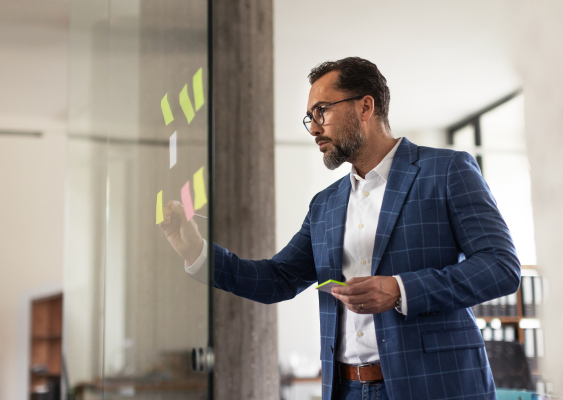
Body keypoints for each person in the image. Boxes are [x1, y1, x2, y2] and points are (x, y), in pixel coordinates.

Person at [159, 57, 521, 400]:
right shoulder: (325, 204)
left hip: (436, 384)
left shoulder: (446, 171)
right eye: (309, 118)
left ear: (366, 107)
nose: (314, 127)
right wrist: (198, 252)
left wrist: (400, 290)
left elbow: (500, 267)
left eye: (322, 111)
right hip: (345, 389)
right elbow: (278, 279)